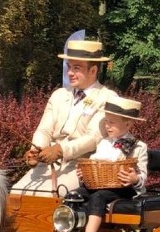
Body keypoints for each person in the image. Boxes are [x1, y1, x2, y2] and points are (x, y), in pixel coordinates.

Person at [13, 40, 117, 196]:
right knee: (16, 193)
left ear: (93, 70)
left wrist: (61, 150)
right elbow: (44, 129)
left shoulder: (107, 98)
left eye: (76, 68)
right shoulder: (59, 95)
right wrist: (36, 149)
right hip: (47, 163)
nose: (69, 73)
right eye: (69, 67)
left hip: (80, 167)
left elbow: (93, 138)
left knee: (46, 198)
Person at [72, 95, 148, 232]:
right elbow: (95, 166)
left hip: (123, 188)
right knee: (73, 196)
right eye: (106, 121)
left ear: (127, 124)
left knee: (98, 197)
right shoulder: (103, 143)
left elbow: (143, 175)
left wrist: (135, 179)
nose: (107, 126)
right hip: (100, 183)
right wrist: (84, 175)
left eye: (112, 122)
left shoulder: (138, 146)